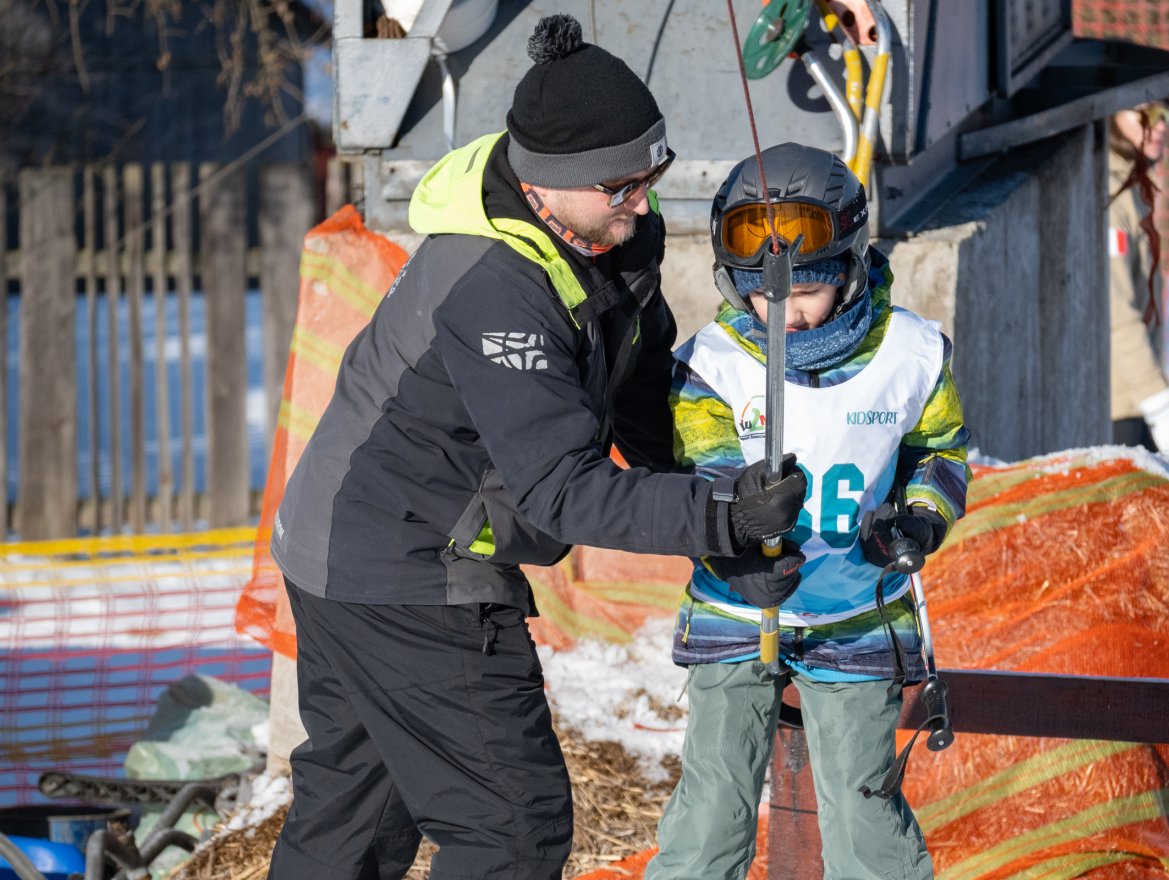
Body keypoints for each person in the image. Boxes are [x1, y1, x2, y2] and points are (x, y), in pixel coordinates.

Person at [266, 15, 807, 880]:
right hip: (399, 564)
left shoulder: (607, 227)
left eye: (652, 172)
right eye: (623, 184)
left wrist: (722, 523)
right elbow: (562, 489)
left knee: (354, 827)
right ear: (548, 188)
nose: (644, 199)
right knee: (510, 829)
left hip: (353, 540)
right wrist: (720, 517)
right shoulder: (496, 286)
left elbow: (634, 377)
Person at [645, 143, 971, 880]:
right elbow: (703, 469)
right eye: (763, 298)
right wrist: (737, 544)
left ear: (850, 269)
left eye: (804, 296)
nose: (783, 316)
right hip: (738, 608)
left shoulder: (910, 355)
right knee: (714, 803)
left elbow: (940, 453)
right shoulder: (714, 363)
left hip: (855, 614)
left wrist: (919, 519)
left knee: (863, 808)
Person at [1108, 98, 1169, 462]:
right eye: (1146, 113)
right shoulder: (1110, 195)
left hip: (1134, 401)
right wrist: (1162, 407)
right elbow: (1117, 315)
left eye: (1166, 113)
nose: (1161, 124)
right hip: (1117, 405)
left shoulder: (1130, 187)